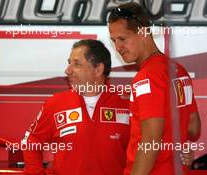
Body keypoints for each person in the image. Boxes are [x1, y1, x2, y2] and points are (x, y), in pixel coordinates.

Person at [108, 2, 201, 175]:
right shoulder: (178, 71)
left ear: (143, 32)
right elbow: (194, 128)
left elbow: (150, 143)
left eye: (122, 39)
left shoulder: (147, 78)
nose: (117, 47)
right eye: (113, 40)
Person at [23, 39, 130, 175]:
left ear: (98, 69)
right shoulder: (56, 103)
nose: (67, 70)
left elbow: (142, 151)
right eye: (69, 63)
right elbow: (31, 142)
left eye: (76, 64)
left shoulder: (126, 104)